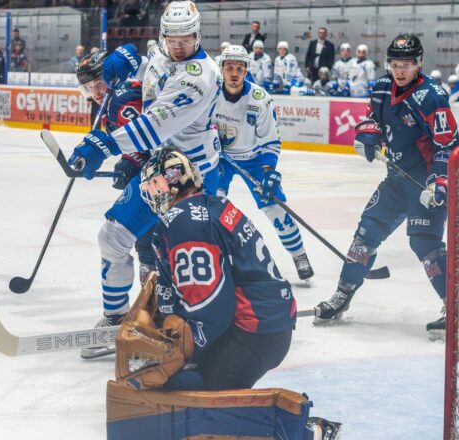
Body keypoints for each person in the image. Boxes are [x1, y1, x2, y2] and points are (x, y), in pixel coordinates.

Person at [67, 1, 222, 358]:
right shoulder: (163, 52)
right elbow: (145, 66)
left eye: (187, 39)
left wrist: (106, 144)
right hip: (160, 166)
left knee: (181, 255)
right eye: (173, 39)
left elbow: (155, 125)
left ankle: (191, 323)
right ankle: (115, 318)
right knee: (112, 236)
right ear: (163, 35)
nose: (179, 46)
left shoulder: (199, 76)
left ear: (198, 35)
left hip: (188, 173)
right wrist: (124, 61)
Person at [313, 34, 459, 342]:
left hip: (425, 182)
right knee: (364, 236)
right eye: (394, 64)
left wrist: (440, 183)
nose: (399, 71)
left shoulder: (432, 96)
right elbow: (373, 119)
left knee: (424, 243)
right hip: (396, 181)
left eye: (406, 65)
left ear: (419, 64)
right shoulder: (381, 88)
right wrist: (369, 137)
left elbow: (448, 146)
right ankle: (343, 295)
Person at [118, 148, 295, 391]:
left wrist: (173, 345)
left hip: (251, 333)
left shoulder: (183, 222)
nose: (152, 193)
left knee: (170, 387)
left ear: (172, 182)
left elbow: (210, 309)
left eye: (155, 184)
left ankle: (298, 426)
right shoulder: (213, 204)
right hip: (267, 324)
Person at [214, 45, 315, 284]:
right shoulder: (210, 94)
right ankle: (216, 256)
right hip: (222, 159)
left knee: (275, 209)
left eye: (240, 68)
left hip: (254, 160)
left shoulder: (260, 99)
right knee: (211, 205)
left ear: (247, 69)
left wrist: (269, 173)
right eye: (230, 68)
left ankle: (299, 255)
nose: (235, 73)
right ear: (221, 69)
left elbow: (270, 141)